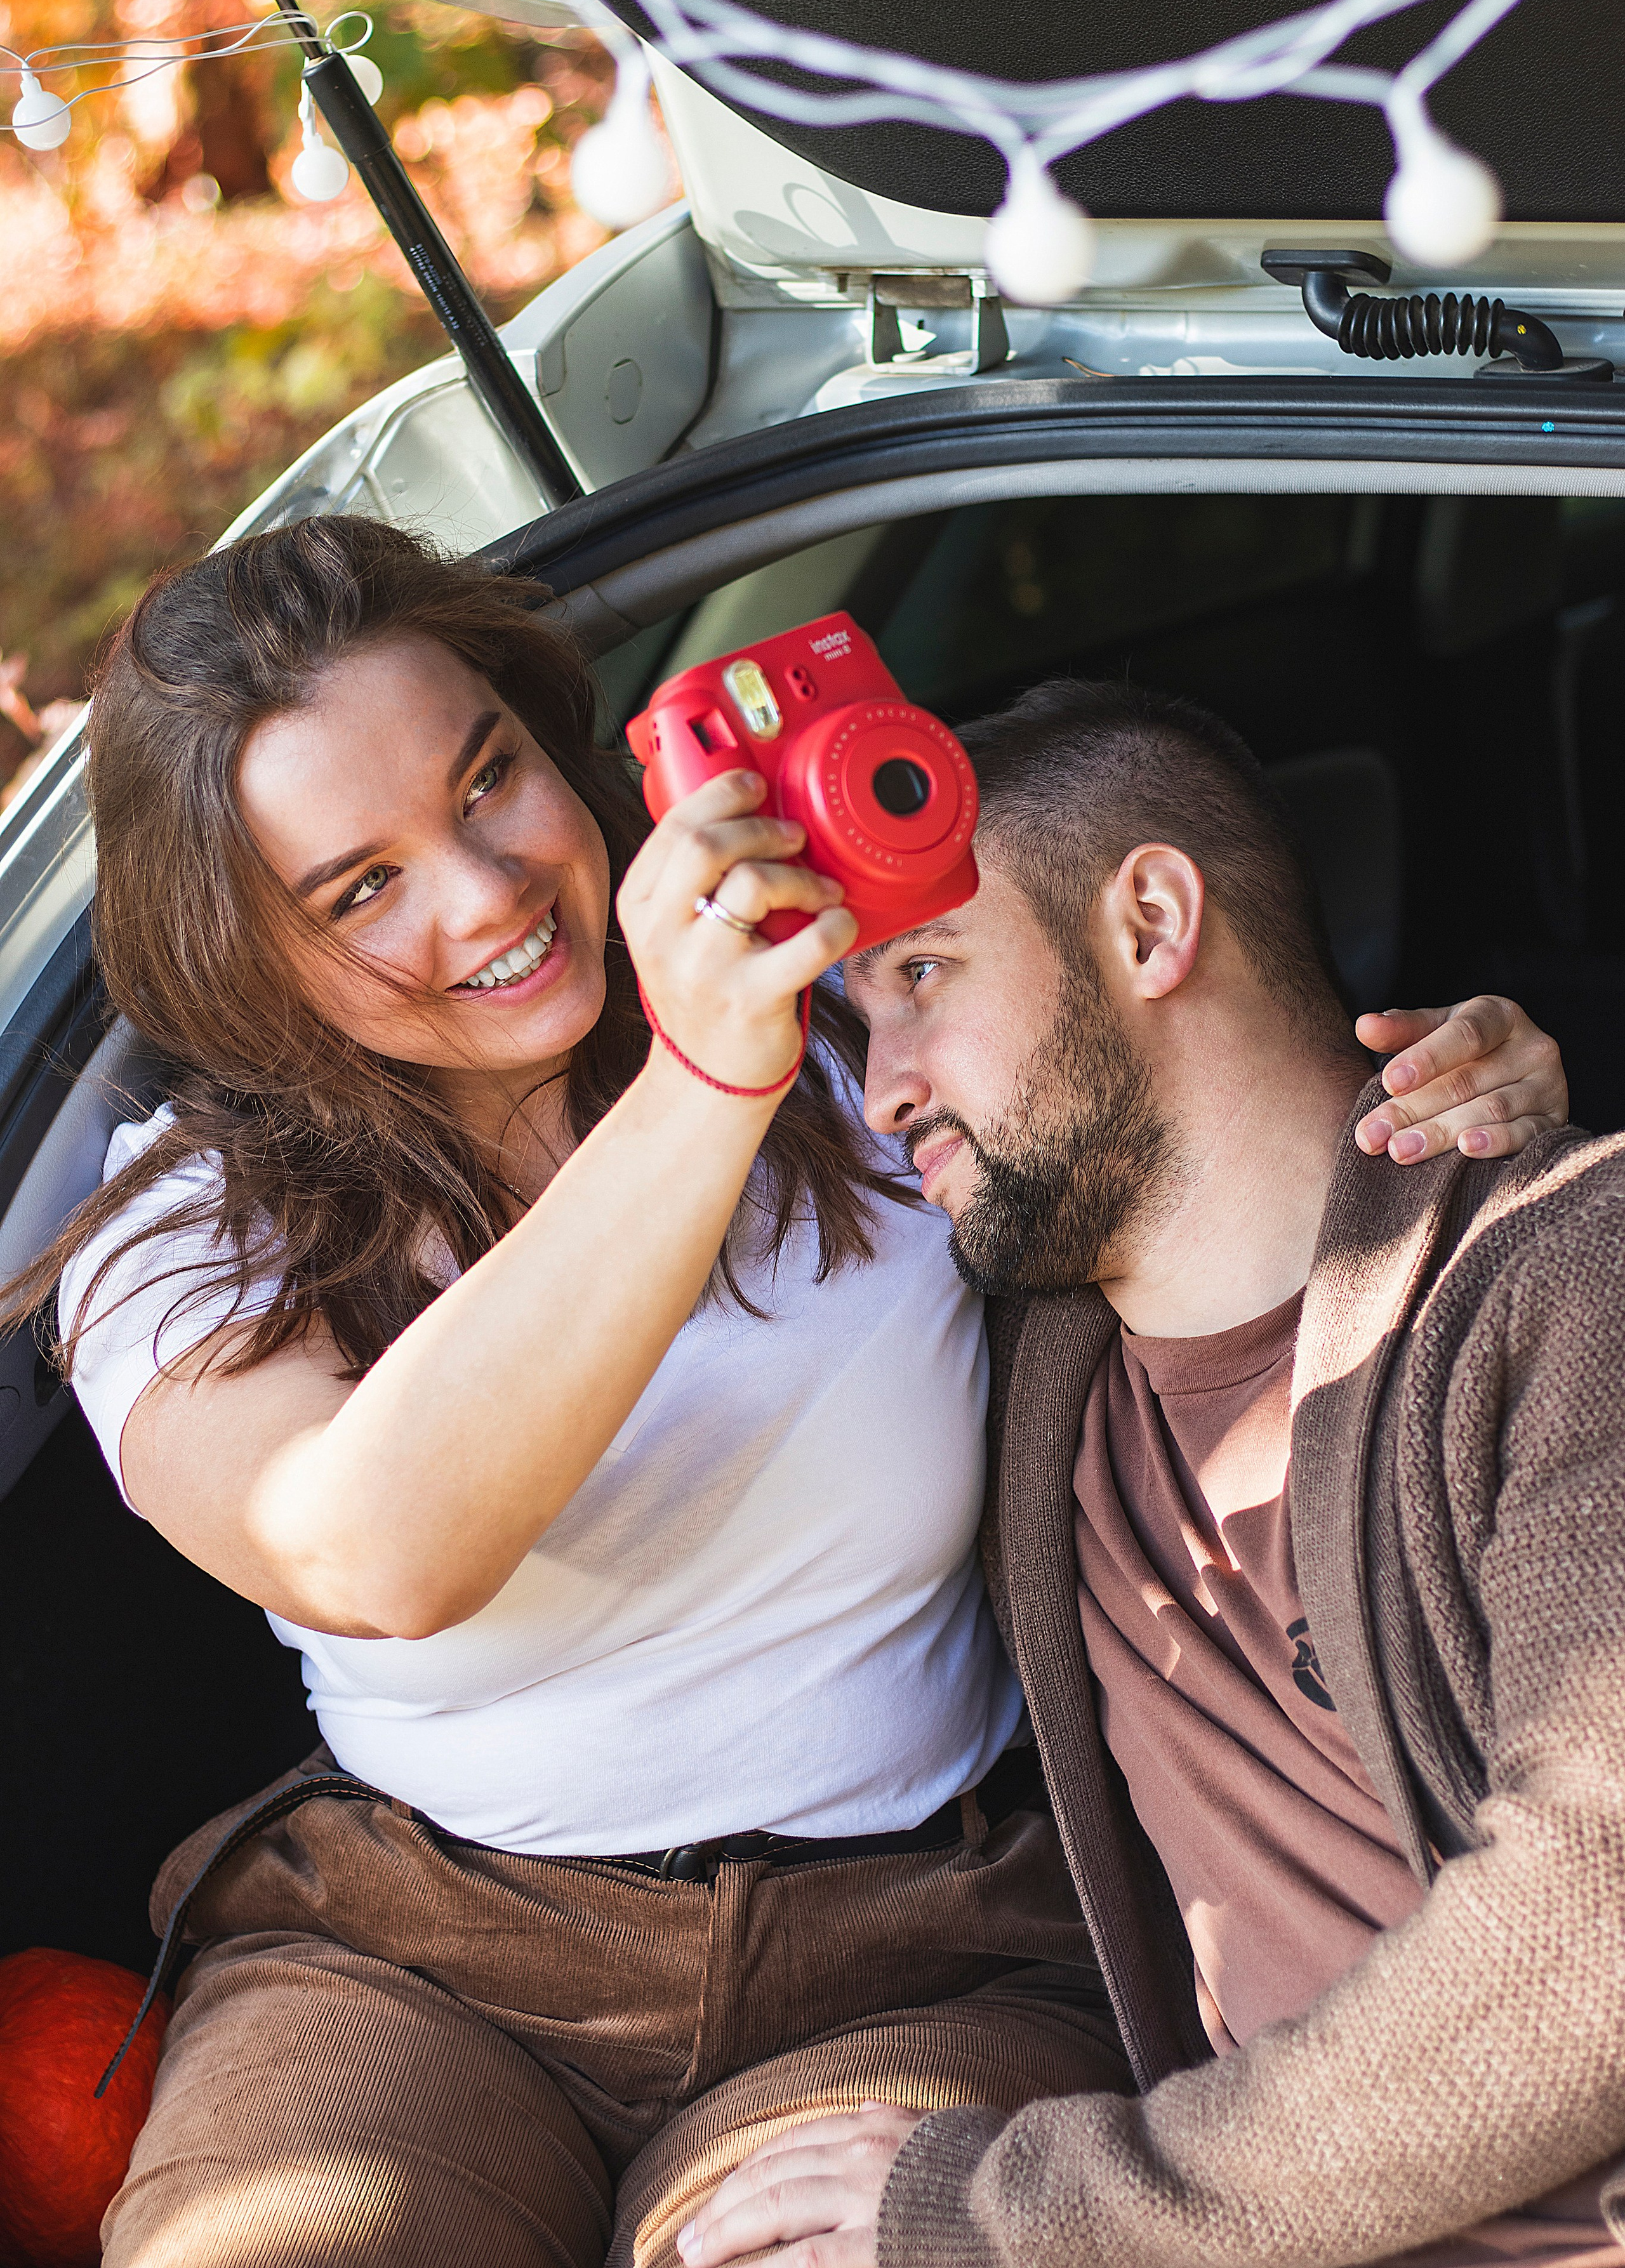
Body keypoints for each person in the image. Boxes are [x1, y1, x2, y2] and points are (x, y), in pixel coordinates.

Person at [17, 520, 1562, 2268]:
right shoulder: (180, 1231)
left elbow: (1217, 1111)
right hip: (426, 1950)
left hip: (929, 1935)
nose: (487, 892)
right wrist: (703, 1080)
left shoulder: (858, 1030)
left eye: (491, 780)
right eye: (358, 889)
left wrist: (1471, 1121)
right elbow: (371, 1551)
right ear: (249, 960)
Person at [677, 676, 1625, 2268]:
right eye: (858, 1022)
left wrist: (1015, 2216)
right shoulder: (1000, 1372)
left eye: (919, 973)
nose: (886, 1084)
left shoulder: (1563, 1283)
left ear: (1149, 923)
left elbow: (1592, 1930)